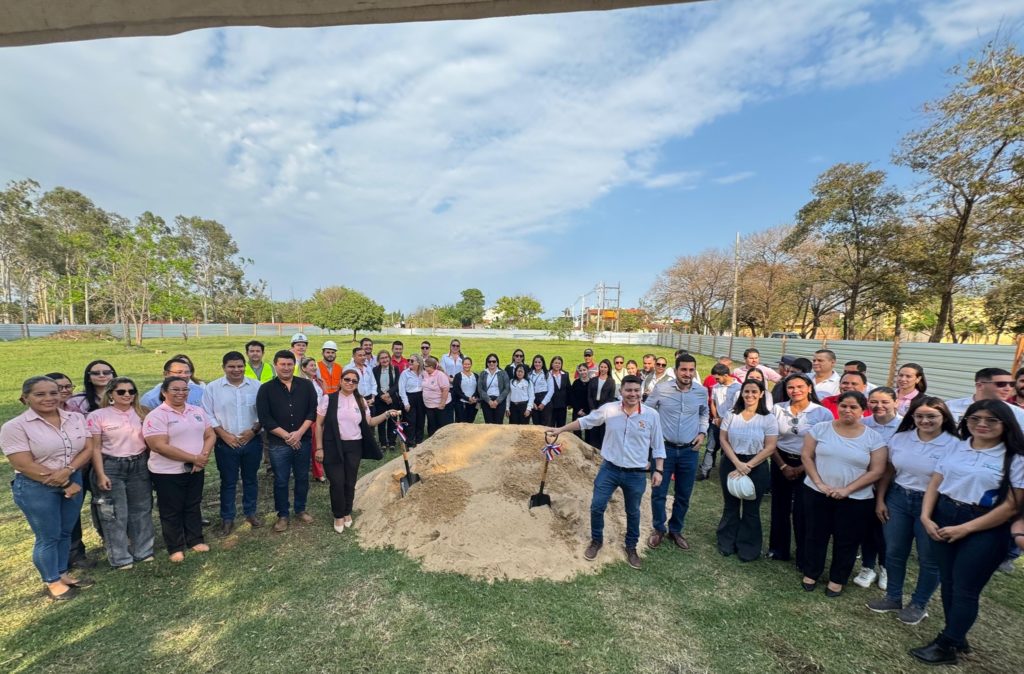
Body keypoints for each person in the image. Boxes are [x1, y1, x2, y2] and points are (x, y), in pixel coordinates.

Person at [910, 400, 1024, 665]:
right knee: (948, 581)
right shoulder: (957, 446)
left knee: (965, 588)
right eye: (975, 419)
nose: (982, 424)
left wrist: (965, 529)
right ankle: (957, 635)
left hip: (985, 526)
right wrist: (926, 516)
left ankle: (947, 646)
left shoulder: (1015, 457)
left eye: (991, 420)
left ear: (1006, 424)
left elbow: (1012, 505)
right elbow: (935, 482)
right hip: (944, 515)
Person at [549, 375, 664, 569]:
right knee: (597, 506)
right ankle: (596, 541)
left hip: (636, 474)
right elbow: (585, 422)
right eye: (628, 390)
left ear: (641, 392)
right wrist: (561, 429)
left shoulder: (651, 415)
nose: (633, 394)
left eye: (636, 390)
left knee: (633, 512)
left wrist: (658, 470)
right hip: (609, 469)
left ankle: (631, 547)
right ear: (621, 391)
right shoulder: (609, 410)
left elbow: (658, 445)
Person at [1, 376, 94, 600]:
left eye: (53, 392)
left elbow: (88, 448)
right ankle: (52, 581)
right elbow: (23, 464)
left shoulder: (75, 418)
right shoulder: (15, 427)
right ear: (25, 398)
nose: (49, 398)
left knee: (65, 531)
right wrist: (64, 482)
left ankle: (62, 573)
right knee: (48, 536)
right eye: (40, 394)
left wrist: (69, 470)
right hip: (37, 486)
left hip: (72, 477)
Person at [868, 396, 958, 625]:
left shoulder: (955, 444)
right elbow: (889, 470)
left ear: (944, 417)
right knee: (894, 550)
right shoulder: (901, 438)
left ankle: (919, 604)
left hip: (935, 504)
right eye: (919, 416)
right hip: (898, 498)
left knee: (929, 557)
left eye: (931, 416)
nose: (925, 421)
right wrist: (881, 500)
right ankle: (893, 597)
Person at [800, 391, 888, 597]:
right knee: (815, 535)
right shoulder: (820, 429)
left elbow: (877, 471)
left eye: (853, 407)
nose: (847, 410)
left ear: (863, 410)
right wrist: (819, 483)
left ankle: (837, 579)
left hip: (856, 499)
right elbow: (806, 456)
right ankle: (811, 572)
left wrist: (847, 490)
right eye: (843, 406)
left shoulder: (874, 438)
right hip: (817, 492)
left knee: (847, 540)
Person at [315, 369, 400, 532]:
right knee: (337, 482)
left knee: (349, 481)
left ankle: (347, 511)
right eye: (347, 379)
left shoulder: (360, 401)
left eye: (354, 381)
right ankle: (338, 514)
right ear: (341, 381)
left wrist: (387, 414)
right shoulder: (328, 399)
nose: (350, 383)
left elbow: (370, 422)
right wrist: (319, 448)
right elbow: (319, 424)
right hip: (333, 445)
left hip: (354, 446)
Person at [143, 377, 216, 562]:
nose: (181, 393)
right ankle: (175, 547)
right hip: (167, 472)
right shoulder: (157, 415)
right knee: (171, 509)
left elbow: (210, 435)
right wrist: (193, 458)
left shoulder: (196, 411)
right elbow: (158, 445)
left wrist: (202, 457)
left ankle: (195, 539)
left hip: (195, 468)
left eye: (185, 389)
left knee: (193, 504)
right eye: (175, 389)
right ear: (164, 392)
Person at [86, 377, 154, 568]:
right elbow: (95, 448)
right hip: (111, 465)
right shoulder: (98, 416)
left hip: (139, 464)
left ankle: (143, 550)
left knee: (142, 509)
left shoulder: (142, 413)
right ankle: (120, 557)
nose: (127, 395)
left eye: (131, 391)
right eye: (121, 392)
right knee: (115, 513)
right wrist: (100, 474)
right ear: (110, 394)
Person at [645, 354, 708, 551]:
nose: (687, 374)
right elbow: (647, 411)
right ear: (676, 370)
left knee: (683, 494)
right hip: (664, 450)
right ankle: (658, 528)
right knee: (659, 492)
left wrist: (702, 432)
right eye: (684, 369)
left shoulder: (701, 392)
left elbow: (704, 413)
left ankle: (675, 529)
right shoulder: (662, 389)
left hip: (690, 451)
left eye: (691, 370)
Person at [768, 374, 833, 564]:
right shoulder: (777, 409)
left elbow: (825, 445)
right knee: (779, 507)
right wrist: (783, 465)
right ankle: (778, 549)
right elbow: (770, 440)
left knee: (803, 511)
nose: (795, 391)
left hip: (809, 464)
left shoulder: (822, 413)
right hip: (781, 460)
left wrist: (802, 467)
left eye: (800, 387)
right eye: (790, 387)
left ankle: (803, 555)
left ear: (809, 388)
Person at [717, 378, 779, 561]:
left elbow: (770, 446)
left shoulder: (768, 419)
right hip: (731, 462)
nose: (750, 395)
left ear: (761, 394)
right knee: (731, 505)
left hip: (756, 465)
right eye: (746, 391)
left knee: (751, 508)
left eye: (754, 392)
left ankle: (748, 547)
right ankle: (726, 541)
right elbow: (723, 439)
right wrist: (737, 463)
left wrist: (748, 465)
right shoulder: (731, 414)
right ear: (741, 393)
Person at [202, 352, 263, 536]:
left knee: (250, 479)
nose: (236, 370)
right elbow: (207, 414)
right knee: (228, 481)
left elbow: (264, 412)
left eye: (240, 366)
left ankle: (250, 513)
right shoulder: (213, 388)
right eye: (231, 366)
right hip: (226, 443)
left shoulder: (257, 386)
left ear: (245, 366)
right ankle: (227, 518)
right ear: (224, 367)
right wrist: (224, 435)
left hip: (251, 441)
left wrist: (253, 431)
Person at [256, 350, 318, 533]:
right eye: (282, 364)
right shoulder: (266, 389)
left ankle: (300, 509)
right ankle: (283, 514)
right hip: (278, 444)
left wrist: (299, 434)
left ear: (294, 365)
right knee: (281, 480)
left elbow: (312, 411)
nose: (286, 368)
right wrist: (287, 436)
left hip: (302, 440)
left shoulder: (306, 385)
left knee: (302, 477)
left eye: (289, 364)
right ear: (275, 365)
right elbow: (265, 418)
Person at [853, 386, 901, 591]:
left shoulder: (904, 427)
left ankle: (886, 567)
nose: (878, 406)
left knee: (887, 529)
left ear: (896, 403)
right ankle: (867, 567)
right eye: (873, 402)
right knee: (867, 527)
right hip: (865, 482)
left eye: (884, 402)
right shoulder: (863, 423)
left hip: (893, 485)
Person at [946, 367, 1024, 427]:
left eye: (1011, 384)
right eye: (1001, 384)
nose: (1008, 388)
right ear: (980, 386)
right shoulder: (950, 406)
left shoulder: (1018, 413)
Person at [701, 364, 735, 480]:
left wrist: (724, 420)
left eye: (717, 378)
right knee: (710, 448)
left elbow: (737, 407)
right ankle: (705, 472)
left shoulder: (738, 388)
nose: (716, 381)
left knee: (727, 450)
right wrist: (716, 418)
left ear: (725, 375)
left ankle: (725, 474)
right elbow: (713, 403)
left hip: (731, 424)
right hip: (716, 422)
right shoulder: (716, 387)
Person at [299, 356, 328, 483]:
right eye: (311, 365)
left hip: (321, 416)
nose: (314, 368)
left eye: (315, 365)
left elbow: (325, 397)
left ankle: (319, 471)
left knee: (321, 443)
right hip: (309, 418)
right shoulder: (300, 383)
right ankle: (316, 472)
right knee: (313, 445)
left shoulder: (319, 381)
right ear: (304, 368)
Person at [372, 351, 401, 447]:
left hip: (392, 398)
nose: (384, 360)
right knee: (381, 422)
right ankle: (383, 442)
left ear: (389, 358)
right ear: (379, 360)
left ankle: (392, 442)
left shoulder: (395, 369)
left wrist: (388, 394)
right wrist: (382, 396)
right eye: (382, 358)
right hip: (380, 399)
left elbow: (397, 384)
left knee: (392, 421)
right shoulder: (375, 370)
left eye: (386, 357)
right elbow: (374, 384)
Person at [587, 359, 617, 447]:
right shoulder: (593, 380)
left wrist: (602, 409)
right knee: (593, 431)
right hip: (593, 407)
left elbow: (610, 398)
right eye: (601, 367)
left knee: (602, 431)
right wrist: (592, 408)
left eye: (605, 367)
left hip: (604, 408)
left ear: (608, 369)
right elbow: (589, 395)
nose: (603, 369)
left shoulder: (611, 381)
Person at [399, 354, 427, 444]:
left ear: (418, 363)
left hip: (421, 397)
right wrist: (406, 403)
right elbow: (401, 389)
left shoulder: (423, 373)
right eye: (409, 360)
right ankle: (410, 442)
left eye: (412, 361)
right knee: (410, 421)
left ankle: (419, 441)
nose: (409, 362)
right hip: (410, 397)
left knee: (421, 420)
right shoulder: (405, 373)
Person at [477, 354, 509, 426]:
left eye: (494, 361)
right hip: (486, 401)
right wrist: (489, 401)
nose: (492, 363)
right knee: (488, 424)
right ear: (487, 363)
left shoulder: (503, 373)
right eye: (489, 361)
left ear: (497, 363)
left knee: (498, 424)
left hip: (500, 401)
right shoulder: (483, 373)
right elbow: (480, 389)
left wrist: (497, 401)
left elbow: (507, 389)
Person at [421, 357, 451, 437]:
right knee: (432, 424)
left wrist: (442, 404)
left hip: (439, 405)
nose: (424, 368)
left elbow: (445, 389)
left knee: (441, 424)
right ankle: (432, 439)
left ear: (431, 367)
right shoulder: (425, 374)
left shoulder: (440, 375)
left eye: (426, 366)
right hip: (429, 405)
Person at [440, 339, 464, 423]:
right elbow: (442, 371)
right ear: (450, 346)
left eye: (457, 346)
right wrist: (450, 379)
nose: (455, 347)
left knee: (459, 411)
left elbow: (464, 371)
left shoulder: (463, 358)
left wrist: (455, 381)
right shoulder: (444, 357)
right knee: (448, 411)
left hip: (459, 388)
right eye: (453, 345)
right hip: (448, 388)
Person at [452, 356, 479, 424]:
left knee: (470, 422)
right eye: (465, 364)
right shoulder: (458, 376)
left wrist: (473, 398)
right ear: (462, 364)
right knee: (461, 423)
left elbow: (478, 389)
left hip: (473, 403)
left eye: (468, 364)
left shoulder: (475, 376)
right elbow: (457, 391)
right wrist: (467, 398)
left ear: (471, 365)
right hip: (461, 404)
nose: (467, 366)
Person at [528, 355, 554, 425]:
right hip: (534, 399)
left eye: (539, 362)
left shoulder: (547, 374)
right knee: (536, 424)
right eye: (535, 362)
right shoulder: (529, 374)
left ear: (543, 363)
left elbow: (551, 390)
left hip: (545, 399)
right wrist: (532, 403)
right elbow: (528, 390)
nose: (537, 364)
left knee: (545, 424)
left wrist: (543, 403)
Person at [547, 356, 571, 429]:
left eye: (559, 363)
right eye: (555, 363)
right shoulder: (547, 374)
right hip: (551, 406)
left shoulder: (565, 374)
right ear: (552, 364)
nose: (557, 365)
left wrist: (569, 403)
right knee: (550, 427)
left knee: (561, 427)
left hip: (562, 406)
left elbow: (568, 389)